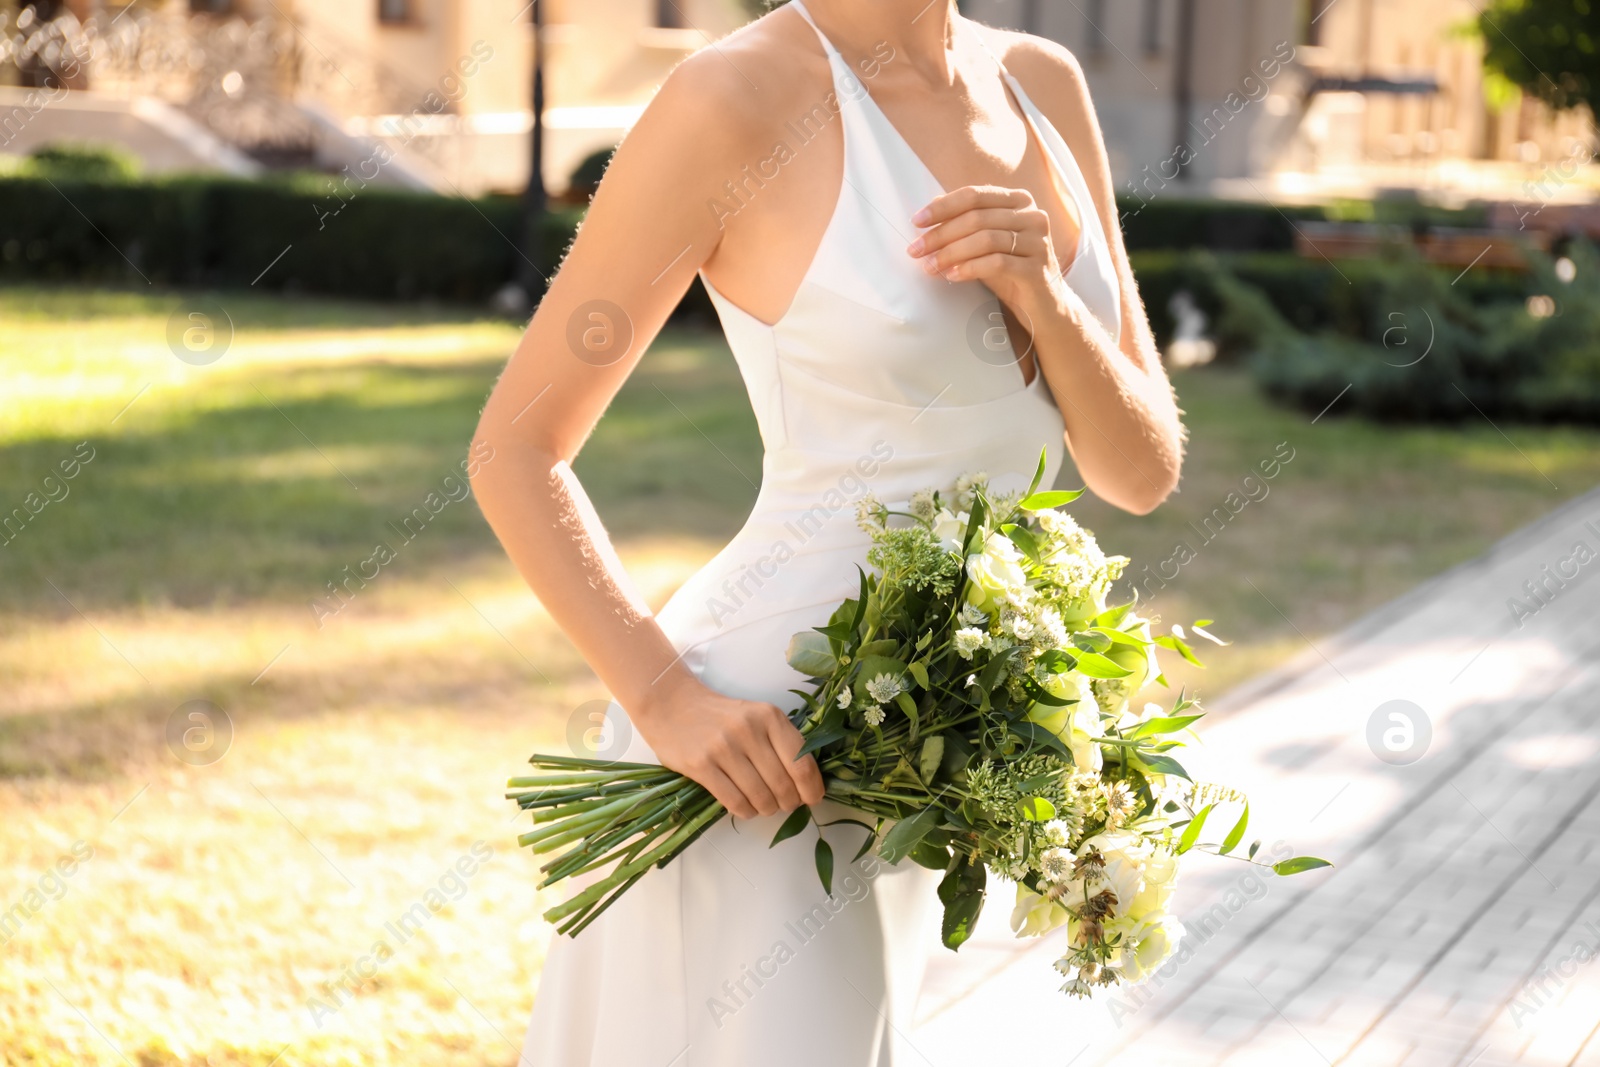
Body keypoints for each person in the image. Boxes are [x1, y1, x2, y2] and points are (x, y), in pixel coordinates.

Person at [470, 1, 1185, 1062]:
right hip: (764, 753)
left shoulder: (1043, 81)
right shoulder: (730, 96)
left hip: (933, 754)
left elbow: (1138, 470)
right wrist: (664, 695)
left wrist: (1039, 291)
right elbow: (514, 452)